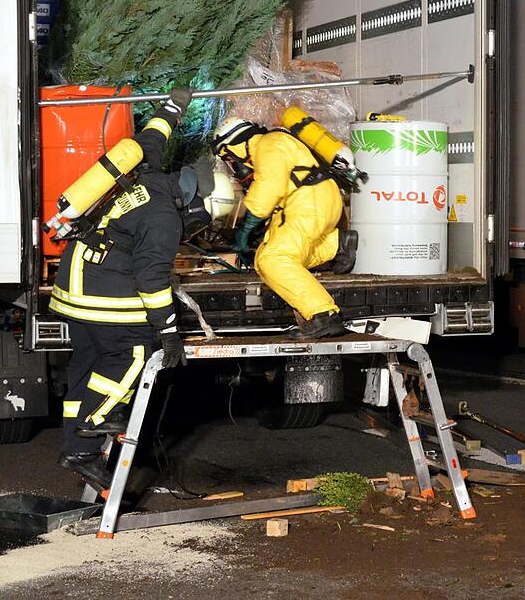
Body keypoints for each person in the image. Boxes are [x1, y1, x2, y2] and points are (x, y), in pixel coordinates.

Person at [50, 88, 198, 490]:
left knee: (86, 368)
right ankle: (90, 429)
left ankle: (76, 446)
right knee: (133, 353)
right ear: (194, 202)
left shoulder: (145, 170)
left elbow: (152, 134)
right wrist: (168, 333)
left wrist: (174, 106)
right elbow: (151, 280)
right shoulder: (166, 217)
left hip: (73, 284)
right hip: (102, 295)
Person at [212, 114, 356, 339]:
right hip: (313, 202)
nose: (234, 165)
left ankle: (323, 315)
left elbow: (269, 187)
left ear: (236, 143)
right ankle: (336, 244)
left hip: (308, 202)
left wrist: (248, 223)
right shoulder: (272, 144)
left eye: (229, 157)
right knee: (264, 259)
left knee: (275, 259)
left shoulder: (268, 144)